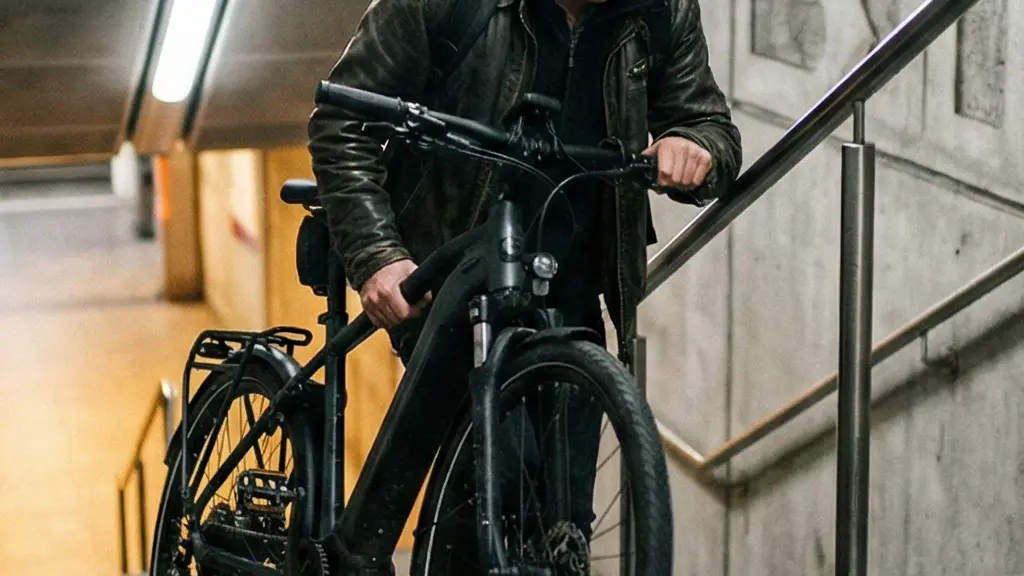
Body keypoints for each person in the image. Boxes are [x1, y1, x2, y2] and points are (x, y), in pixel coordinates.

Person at [308, 0, 742, 570]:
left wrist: (697, 147)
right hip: (452, 280)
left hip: (575, 295)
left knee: (562, 526)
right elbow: (342, 125)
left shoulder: (659, 11)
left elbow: (711, 127)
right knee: (496, 483)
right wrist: (377, 257)